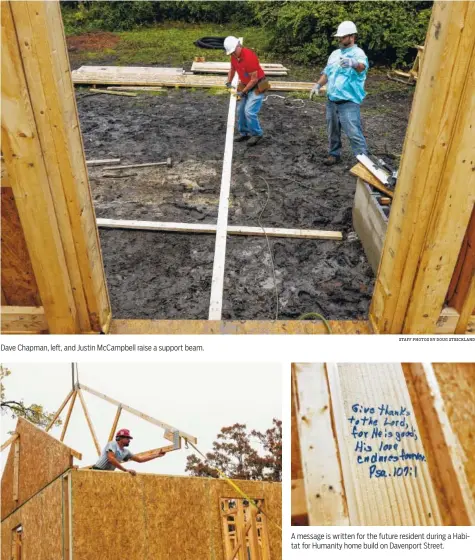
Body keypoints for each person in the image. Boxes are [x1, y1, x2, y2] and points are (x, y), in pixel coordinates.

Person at [310, 21, 369, 166]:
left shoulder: (358, 53)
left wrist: (353, 63)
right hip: (332, 100)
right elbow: (327, 73)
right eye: (339, 37)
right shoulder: (335, 54)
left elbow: (362, 68)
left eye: (343, 37)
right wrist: (318, 84)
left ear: (352, 36)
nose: (340, 40)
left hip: (348, 101)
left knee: (354, 133)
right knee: (332, 130)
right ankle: (334, 154)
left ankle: (363, 161)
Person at [224, 36, 270, 147]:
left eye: (234, 52)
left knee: (249, 111)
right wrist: (228, 82)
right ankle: (244, 133)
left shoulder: (249, 57)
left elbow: (254, 79)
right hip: (245, 84)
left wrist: (243, 92)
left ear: (239, 46)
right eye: (231, 53)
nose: (233, 54)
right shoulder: (234, 56)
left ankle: (257, 134)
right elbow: (232, 69)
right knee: (240, 110)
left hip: (259, 84)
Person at [92, 428, 166, 476]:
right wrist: (125, 470)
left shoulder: (125, 452)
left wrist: (157, 455)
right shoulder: (113, 444)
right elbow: (111, 458)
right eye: (127, 438)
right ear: (120, 438)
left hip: (107, 474)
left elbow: (140, 460)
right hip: (96, 471)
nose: (129, 440)